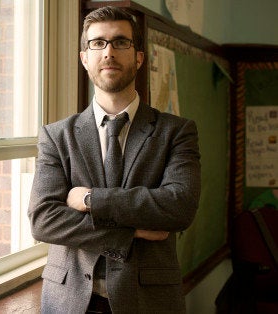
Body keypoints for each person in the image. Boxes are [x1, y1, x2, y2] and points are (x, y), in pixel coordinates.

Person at [27, 6, 201, 314]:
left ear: (138, 57)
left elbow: (179, 206)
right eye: (98, 43)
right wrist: (130, 231)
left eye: (121, 42)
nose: (109, 52)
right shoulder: (56, 136)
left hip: (148, 302)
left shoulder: (177, 132)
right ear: (85, 58)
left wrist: (92, 199)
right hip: (70, 301)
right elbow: (44, 220)